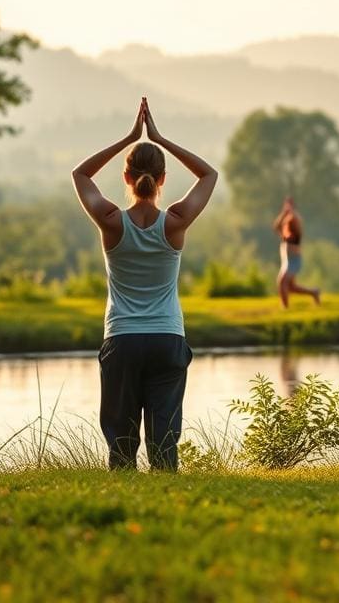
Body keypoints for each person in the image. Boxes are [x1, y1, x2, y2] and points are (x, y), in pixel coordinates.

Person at [71, 98, 217, 470]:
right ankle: (168, 506)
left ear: (126, 178)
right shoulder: (175, 222)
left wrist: (128, 138)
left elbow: (81, 175)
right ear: (163, 179)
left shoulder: (111, 221)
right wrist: (161, 139)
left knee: (121, 446)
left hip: (122, 340)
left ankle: (125, 507)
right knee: (164, 442)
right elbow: (209, 175)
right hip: (167, 338)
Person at [272, 197, 321, 309]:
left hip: (294, 259)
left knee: (282, 282)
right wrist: (283, 214)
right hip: (286, 259)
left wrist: (291, 214)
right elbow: (276, 227)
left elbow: (298, 231)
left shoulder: (296, 219)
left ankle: (285, 307)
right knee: (292, 287)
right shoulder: (285, 222)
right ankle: (314, 292)